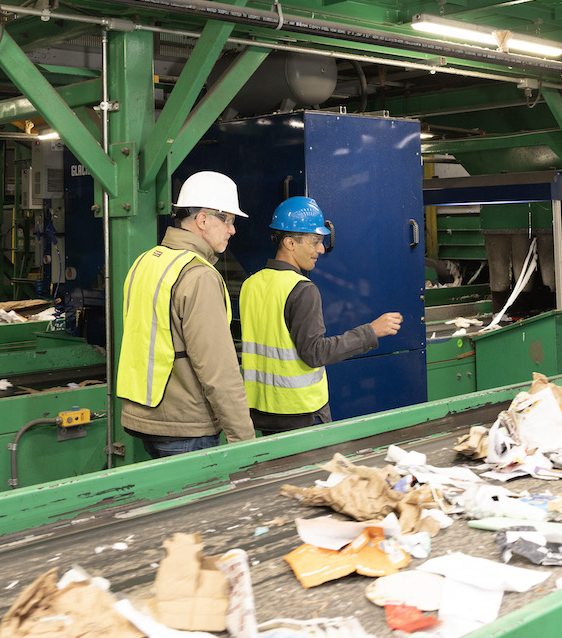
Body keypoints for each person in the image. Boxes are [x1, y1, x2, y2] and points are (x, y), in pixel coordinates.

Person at [117, 171, 256, 458]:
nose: (233, 230)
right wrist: (245, 441)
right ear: (203, 219)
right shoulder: (198, 275)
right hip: (186, 426)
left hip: (148, 420)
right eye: (228, 220)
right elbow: (218, 369)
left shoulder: (146, 261)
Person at [239, 196, 403, 433]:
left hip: (262, 412)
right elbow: (315, 353)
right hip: (301, 413)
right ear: (290, 243)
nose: (321, 249)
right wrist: (371, 332)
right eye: (314, 241)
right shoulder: (302, 289)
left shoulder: (251, 284)